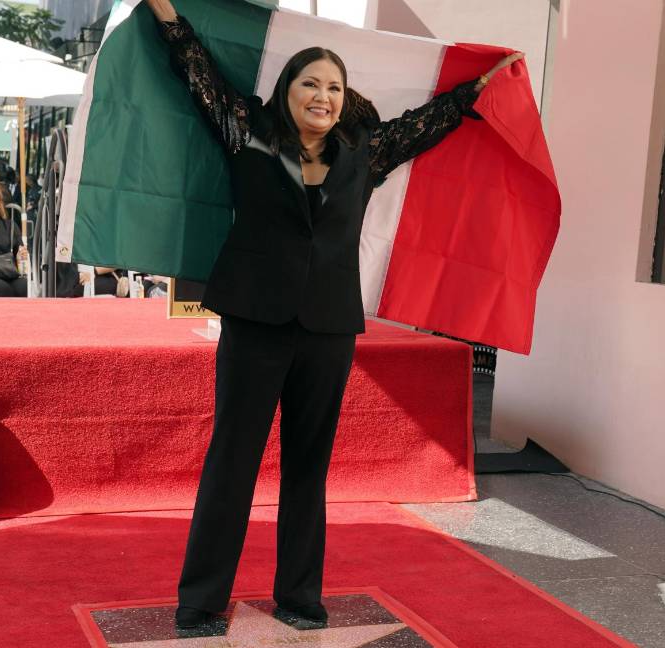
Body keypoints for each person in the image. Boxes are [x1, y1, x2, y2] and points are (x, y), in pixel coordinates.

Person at [142, 0, 524, 630]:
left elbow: (431, 121)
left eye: (333, 87)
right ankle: (201, 601)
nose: (322, 95)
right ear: (287, 90)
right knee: (232, 462)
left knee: (308, 466)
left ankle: (298, 597)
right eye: (310, 83)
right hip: (255, 324)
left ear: (345, 100)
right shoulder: (248, 133)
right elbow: (195, 65)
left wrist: (482, 84)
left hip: (328, 329)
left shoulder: (365, 155)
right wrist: (164, 10)